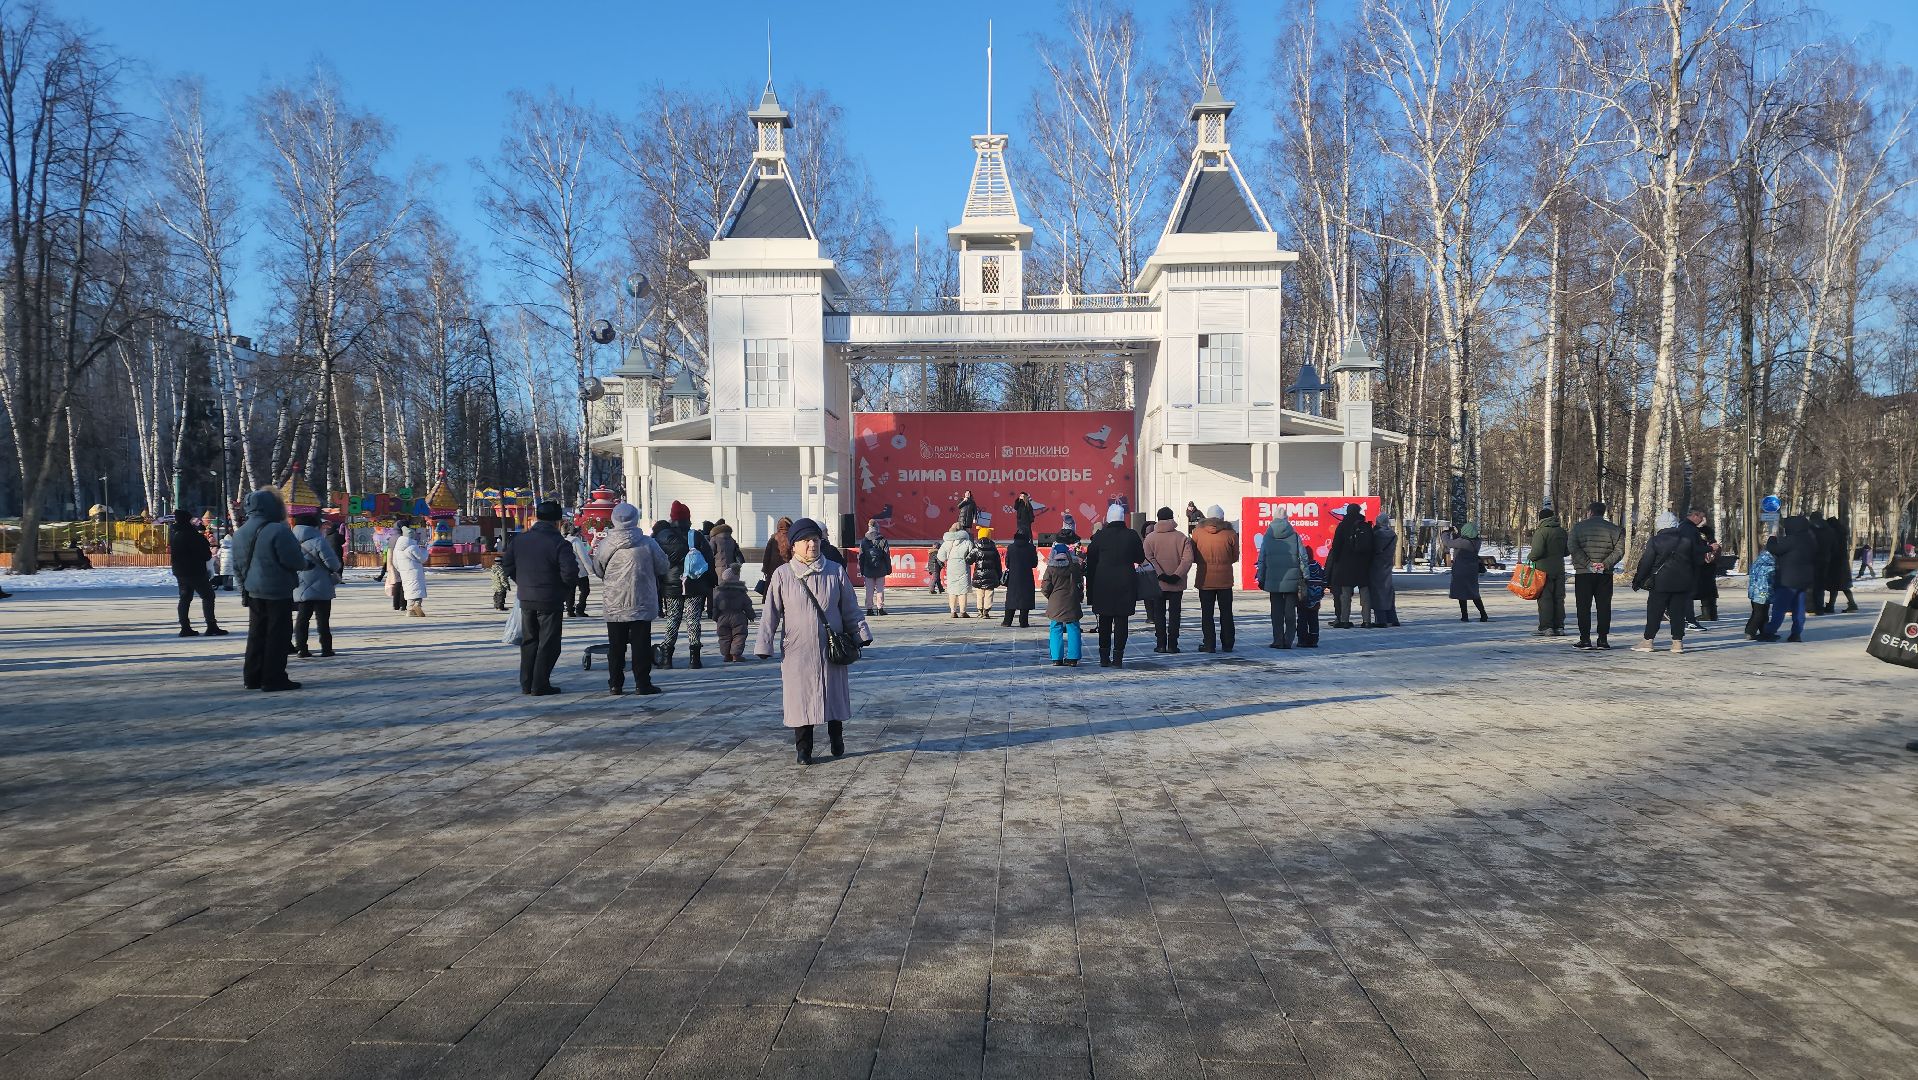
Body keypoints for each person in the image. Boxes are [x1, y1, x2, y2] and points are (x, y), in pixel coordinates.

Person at [754, 517, 873, 765]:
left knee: (833, 696)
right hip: (798, 650)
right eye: (806, 540)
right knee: (801, 700)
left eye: (816, 540)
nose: (812, 545)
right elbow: (770, 613)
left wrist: (861, 633)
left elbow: (849, 608)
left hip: (832, 648)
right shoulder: (783, 575)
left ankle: (836, 738)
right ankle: (803, 750)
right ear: (794, 545)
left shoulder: (834, 571)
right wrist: (763, 644)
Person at [231, 488, 311, 692]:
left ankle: (252, 677)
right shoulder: (278, 529)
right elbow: (292, 559)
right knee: (278, 634)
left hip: (253, 590)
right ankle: (273, 678)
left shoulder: (240, 532)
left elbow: (238, 566)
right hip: (277, 590)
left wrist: (243, 590)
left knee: (256, 633)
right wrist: (304, 564)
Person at [500, 500, 578, 695]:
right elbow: (570, 572)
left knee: (529, 641)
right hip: (550, 599)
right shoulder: (559, 543)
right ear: (557, 522)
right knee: (549, 644)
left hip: (526, 598)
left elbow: (507, 564)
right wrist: (562, 588)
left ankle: (526, 683)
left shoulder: (520, 540)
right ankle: (540, 684)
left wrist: (522, 582)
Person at [590, 502, 661, 697]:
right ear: (635, 518)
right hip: (641, 600)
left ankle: (615, 684)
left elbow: (597, 568)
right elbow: (663, 566)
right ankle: (642, 683)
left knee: (616, 645)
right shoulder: (648, 543)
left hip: (615, 601)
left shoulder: (606, 544)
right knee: (641, 644)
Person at [1084, 504, 1146, 667]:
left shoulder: (1100, 536)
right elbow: (1140, 558)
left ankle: (1104, 658)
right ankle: (1118, 657)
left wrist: (1090, 593)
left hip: (1103, 584)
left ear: (1108, 518)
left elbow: (1091, 563)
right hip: (1125, 583)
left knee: (1104, 621)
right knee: (1121, 620)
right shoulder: (1131, 535)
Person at [1631, 511, 1702, 653]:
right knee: (1677, 613)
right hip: (1682, 583)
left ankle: (1648, 641)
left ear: (1660, 525)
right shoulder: (1687, 540)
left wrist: (1638, 580)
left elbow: (1646, 562)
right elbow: (1696, 561)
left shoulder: (1655, 541)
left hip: (1660, 583)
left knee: (1654, 612)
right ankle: (1677, 643)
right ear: (1675, 525)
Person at [656, 501, 716, 669]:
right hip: (695, 584)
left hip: (671, 585)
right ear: (688, 519)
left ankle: (667, 657)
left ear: (672, 518)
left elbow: (657, 561)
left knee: (672, 618)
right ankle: (694, 658)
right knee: (693, 619)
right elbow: (709, 559)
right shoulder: (696, 536)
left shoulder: (662, 536)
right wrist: (712, 582)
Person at [1568, 501, 1624, 650]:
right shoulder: (1615, 529)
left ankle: (1585, 639)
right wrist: (1604, 564)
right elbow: (1619, 551)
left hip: (1584, 573)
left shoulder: (1578, 528)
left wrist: (1588, 564)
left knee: (1583, 607)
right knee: (1604, 607)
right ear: (1603, 512)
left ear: (1590, 512)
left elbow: (1572, 547)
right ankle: (1603, 639)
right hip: (1605, 574)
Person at [1142, 507, 1194, 652]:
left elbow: (1147, 558)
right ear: (1172, 518)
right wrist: (1177, 575)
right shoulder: (1182, 537)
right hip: (1177, 583)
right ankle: (1173, 644)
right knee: (1175, 614)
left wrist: (1160, 574)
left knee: (1159, 614)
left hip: (1157, 583)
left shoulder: (1150, 538)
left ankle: (1160, 644)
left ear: (1158, 518)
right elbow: (1188, 559)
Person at [291, 511, 342, 658]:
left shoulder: (290, 542)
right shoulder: (319, 541)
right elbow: (333, 564)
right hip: (322, 586)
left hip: (299, 585)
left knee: (302, 618)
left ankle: (301, 648)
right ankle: (326, 649)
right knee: (323, 620)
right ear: (313, 526)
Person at [1760, 515, 1817, 642]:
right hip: (1804, 580)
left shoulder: (1791, 540)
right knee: (1799, 608)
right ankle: (1796, 633)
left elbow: (1774, 549)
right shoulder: (1810, 539)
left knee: (1779, 608)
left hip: (1788, 580)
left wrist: (1772, 537)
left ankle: (1770, 631)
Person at [170, 509, 226, 637]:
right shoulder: (192, 535)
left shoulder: (174, 533)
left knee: (185, 598)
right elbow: (205, 555)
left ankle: (185, 627)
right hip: (194, 571)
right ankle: (211, 625)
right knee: (208, 596)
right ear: (187, 520)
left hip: (180, 571)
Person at [1190, 504, 1239, 651]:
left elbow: (1193, 555)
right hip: (1225, 579)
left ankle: (1209, 643)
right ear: (1222, 517)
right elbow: (1235, 556)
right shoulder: (1230, 533)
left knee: (1207, 613)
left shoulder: (1197, 533)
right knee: (1226, 612)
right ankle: (1228, 643)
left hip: (1205, 579)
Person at [1254, 514, 1304, 649]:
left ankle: (1277, 640)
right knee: (1290, 612)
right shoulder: (1294, 535)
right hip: (1292, 579)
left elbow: (1262, 559)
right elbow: (1303, 557)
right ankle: (1288, 640)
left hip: (1273, 580)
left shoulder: (1267, 536)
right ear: (1286, 520)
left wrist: (1261, 576)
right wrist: (1306, 576)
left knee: (1276, 612)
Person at [1325, 503, 1375, 628]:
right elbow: (1372, 546)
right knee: (1365, 592)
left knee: (1346, 593)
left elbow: (1336, 546)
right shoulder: (1365, 525)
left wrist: (1336, 561)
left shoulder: (1342, 526)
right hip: (1363, 564)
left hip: (1345, 564)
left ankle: (1345, 620)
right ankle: (1367, 620)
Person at [1041, 541, 1084, 666]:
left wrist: (1051, 597)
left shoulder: (1050, 569)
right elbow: (1079, 584)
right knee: (1073, 628)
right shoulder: (1074, 567)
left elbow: (1045, 587)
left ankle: (1056, 658)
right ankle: (1073, 658)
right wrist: (1079, 597)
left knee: (1055, 628)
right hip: (1072, 601)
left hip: (1056, 602)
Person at [1528, 507, 1569, 636]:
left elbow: (1537, 551)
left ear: (1541, 519)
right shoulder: (1562, 531)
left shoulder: (1541, 532)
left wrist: (1530, 557)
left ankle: (1546, 627)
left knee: (1545, 599)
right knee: (1559, 598)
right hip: (1559, 569)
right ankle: (1559, 626)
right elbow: (1566, 551)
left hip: (1543, 571)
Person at [712, 565, 756, 662]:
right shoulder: (741, 592)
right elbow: (747, 605)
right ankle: (736, 655)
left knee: (724, 637)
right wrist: (751, 615)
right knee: (739, 635)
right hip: (738, 617)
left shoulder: (719, 593)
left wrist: (715, 617)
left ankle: (726, 655)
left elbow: (715, 606)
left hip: (723, 617)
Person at [1449, 523, 1488, 621]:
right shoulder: (1477, 542)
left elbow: (1447, 543)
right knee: (1474, 593)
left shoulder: (1462, 542)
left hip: (1461, 570)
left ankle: (1465, 616)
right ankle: (1483, 614)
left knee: (1462, 593)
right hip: (1472, 571)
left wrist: (1445, 533)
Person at [1000, 530, 1039, 628]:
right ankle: (1023, 622)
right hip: (1027, 577)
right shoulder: (1031, 548)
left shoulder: (1011, 547)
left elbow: (1007, 563)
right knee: (1025, 599)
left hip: (1013, 577)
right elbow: (1034, 564)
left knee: (1011, 599)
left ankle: (1007, 621)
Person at [937, 522, 976, 617]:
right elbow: (973, 554)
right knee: (963, 590)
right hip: (963, 566)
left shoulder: (946, 543)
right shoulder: (967, 542)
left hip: (951, 567)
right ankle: (963, 611)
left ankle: (953, 611)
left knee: (952, 590)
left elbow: (941, 556)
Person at [1368, 513, 1401, 628]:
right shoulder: (1393, 535)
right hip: (1387, 565)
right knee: (1388, 592)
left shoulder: (1376, 535)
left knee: (1378, 593)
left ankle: (1381, 619)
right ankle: (1392, 618)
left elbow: (1373, 549)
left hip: (1376, 566)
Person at [391, 525, 428, 617]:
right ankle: (417, 605)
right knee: (418, 591)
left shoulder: (397, 549)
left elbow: (395, 563)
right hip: (415, 573)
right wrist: (424, 550)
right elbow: (422, 559)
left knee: (409, 591)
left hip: (404, 573)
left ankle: (410, 610)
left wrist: (402, 570)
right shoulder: (412, 547)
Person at [858, 520, 892, 616]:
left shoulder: (864, 541)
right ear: (877, 528)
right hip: (880, 569)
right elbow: (886, 556)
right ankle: (880, 608)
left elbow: (861, 557)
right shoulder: (882, 540)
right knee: (880, 589)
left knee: (869, 590)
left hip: (868, 569)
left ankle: (869, 609)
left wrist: (862, 569)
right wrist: (888, 569)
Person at [1823, 517, 1857, 613]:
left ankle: (1831, 606)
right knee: (1843, 585)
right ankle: (1852, 604)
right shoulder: (1842, 533)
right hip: (1843, 563)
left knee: (1834, 585)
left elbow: (1832, 548)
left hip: (1835, 562)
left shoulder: (1832, 534)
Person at [1745, 544, 1775, 640]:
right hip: (1763, 592)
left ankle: (1763, 631)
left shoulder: (1760, 560)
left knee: (1760, 612)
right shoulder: (1770, 563)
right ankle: (1750, 631)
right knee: (1760, 613)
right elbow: (1771, 578)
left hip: (1755, 591)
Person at [1298, 545, 1326, 647]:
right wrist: (1320, 593)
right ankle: (1314, 639)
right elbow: (1324, 579)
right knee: (1314, 619)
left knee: (1302, 619)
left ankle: (1302, 639)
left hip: (1303, 597)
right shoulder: (1318, 565)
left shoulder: (1303, 566)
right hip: (1316, 598)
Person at [972, 528, 1003, 618]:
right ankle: (986, 611)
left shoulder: (976, 548)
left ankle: (980, 610)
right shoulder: (993, 548)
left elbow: (969, 560)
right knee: (989, 593)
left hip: (979, 574)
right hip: (991, 574)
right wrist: (999, 575)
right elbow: (998, 563)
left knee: (979, 593)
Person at [1695, 521, 1722, 622]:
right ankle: (1712, 613)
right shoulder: (1714, 543)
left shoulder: (1706, 544)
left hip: (1704, 569)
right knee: (1710, 589)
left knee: (1704, 590)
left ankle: (1707, 614)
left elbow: (1706, 559)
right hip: (1711, 570)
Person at [566, 525, 594, 618]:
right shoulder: (576, 541)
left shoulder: (565, 540)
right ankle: (580, 609)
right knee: (585, 590)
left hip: (568, 571)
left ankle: (570, 610)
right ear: (577, 533)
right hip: (579, 571)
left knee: (570, 591)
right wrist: (590, 569)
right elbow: (584, 557)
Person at [760, 517, 792, 598]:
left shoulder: (773, 538)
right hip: (788, 569)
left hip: (773, 570)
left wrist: (765, 569)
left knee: (772, 592)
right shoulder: (792, 538)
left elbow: (767, 555)